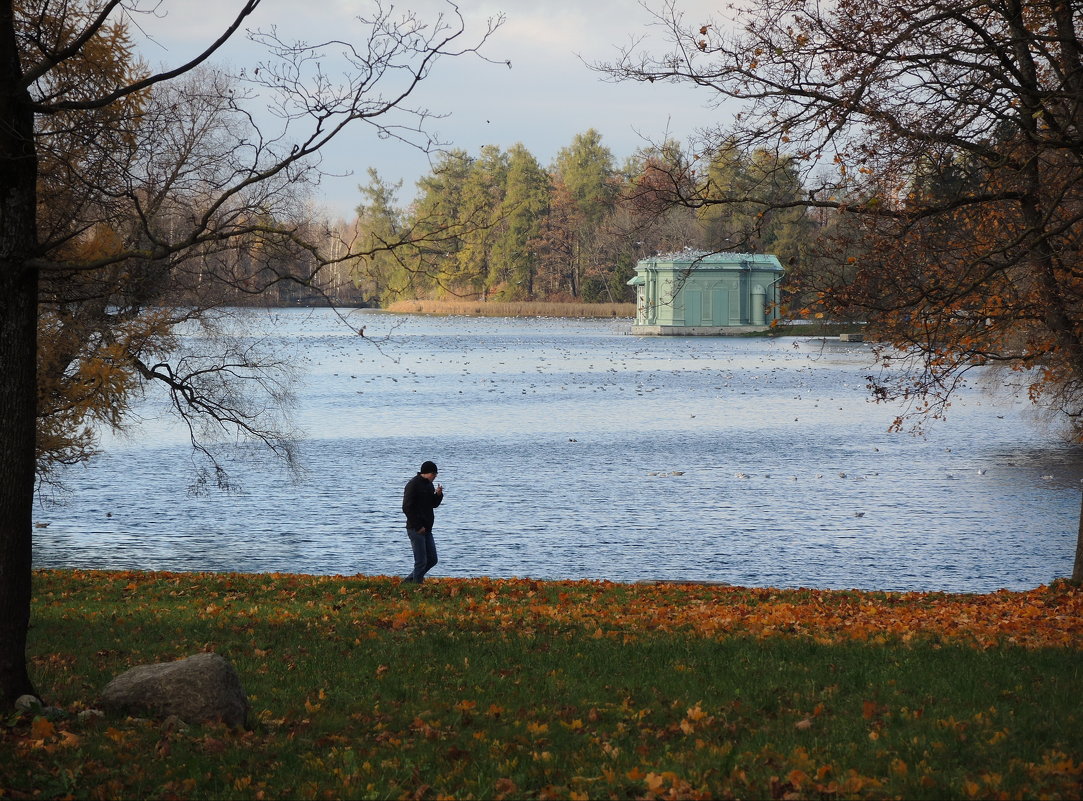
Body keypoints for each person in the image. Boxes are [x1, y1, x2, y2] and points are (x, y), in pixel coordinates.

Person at [401, 460, 444, 584]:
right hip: (416, 529)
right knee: (421, 561)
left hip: (427, 528)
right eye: (434, 474)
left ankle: (408, 582)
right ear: (426, 473)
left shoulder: (429, 485)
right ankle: (416, 587)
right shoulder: (412, 485)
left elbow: (433, 504)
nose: (435, 476)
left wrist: (438, 495)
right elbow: (406, 507)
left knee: (432, 559)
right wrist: (418, 526)